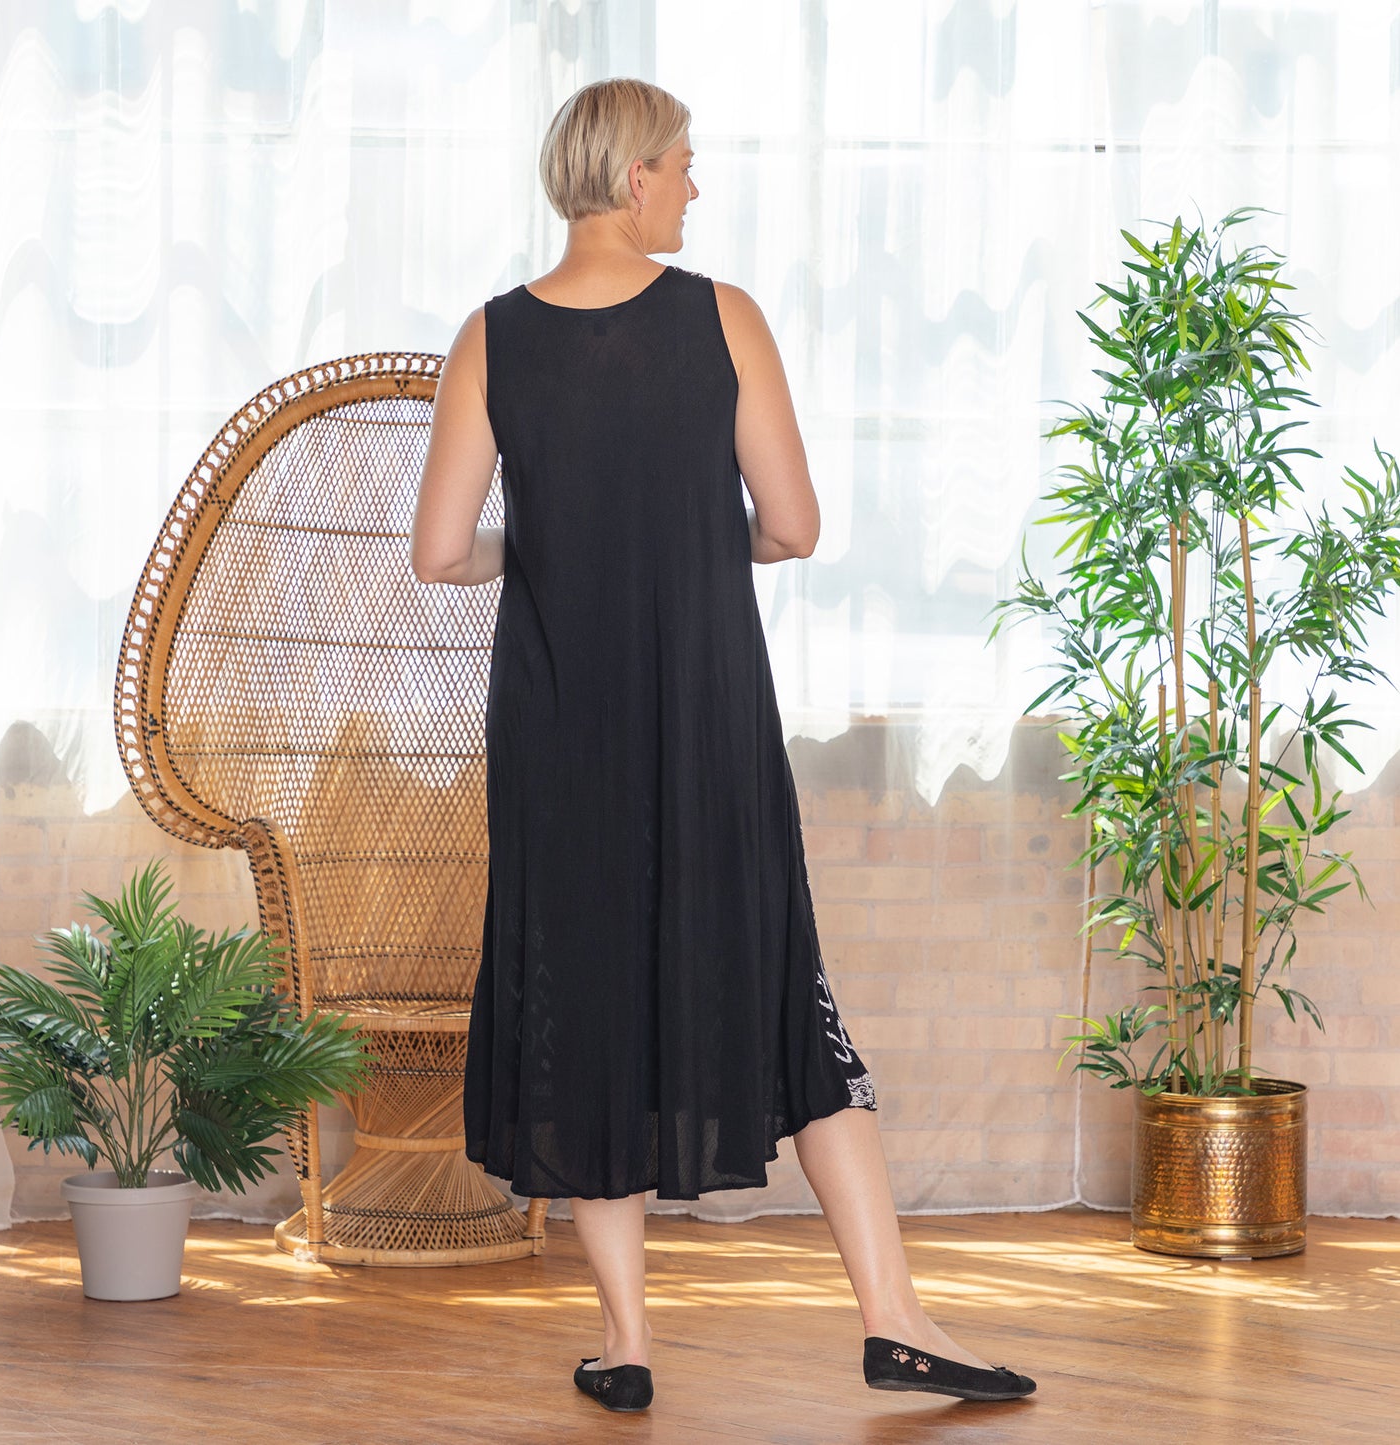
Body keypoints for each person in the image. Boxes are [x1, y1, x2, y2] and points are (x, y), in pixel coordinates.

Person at [410, 77, 1036, 1416]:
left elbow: (442, 553)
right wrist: (692, 542)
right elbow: (794, 526)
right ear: (633, 174)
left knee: (583, 1011)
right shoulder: (720, 317)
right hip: (706, 724)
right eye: (685, 164)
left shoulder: (488, 337)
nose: (696, 187)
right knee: (785, 996)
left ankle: (628, 1342)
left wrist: (560, 550)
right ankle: (895, 1320)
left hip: (558, 738)